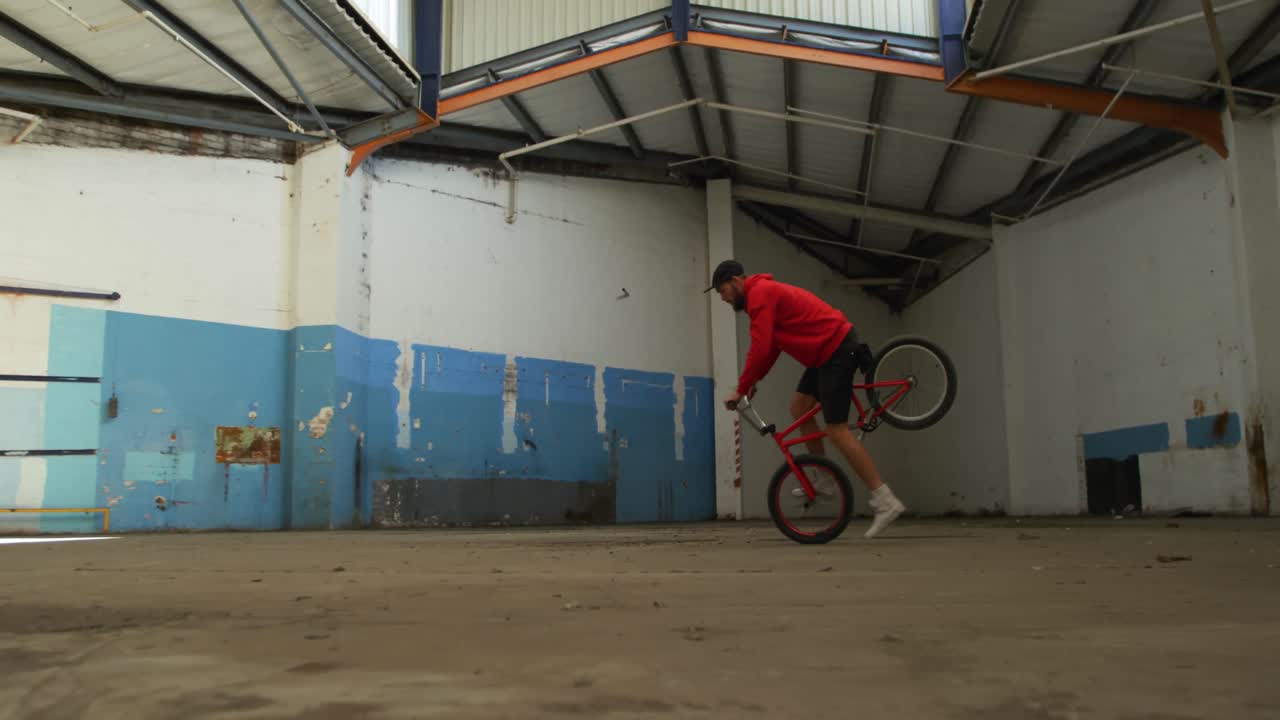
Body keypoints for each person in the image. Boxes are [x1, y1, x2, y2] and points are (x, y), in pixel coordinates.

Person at [706, 259, 905, 539]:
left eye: (723, 290)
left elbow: (760, 347)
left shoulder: (760, 293)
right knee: (799, 408)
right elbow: (772, 347)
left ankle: (885, 500)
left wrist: (741, 388)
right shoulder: (761, 297)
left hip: (836, 349)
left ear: (737, 281)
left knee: (836, 430)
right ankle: (823, 478)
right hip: (822, 354)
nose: (723, 298)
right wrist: (752, 383)